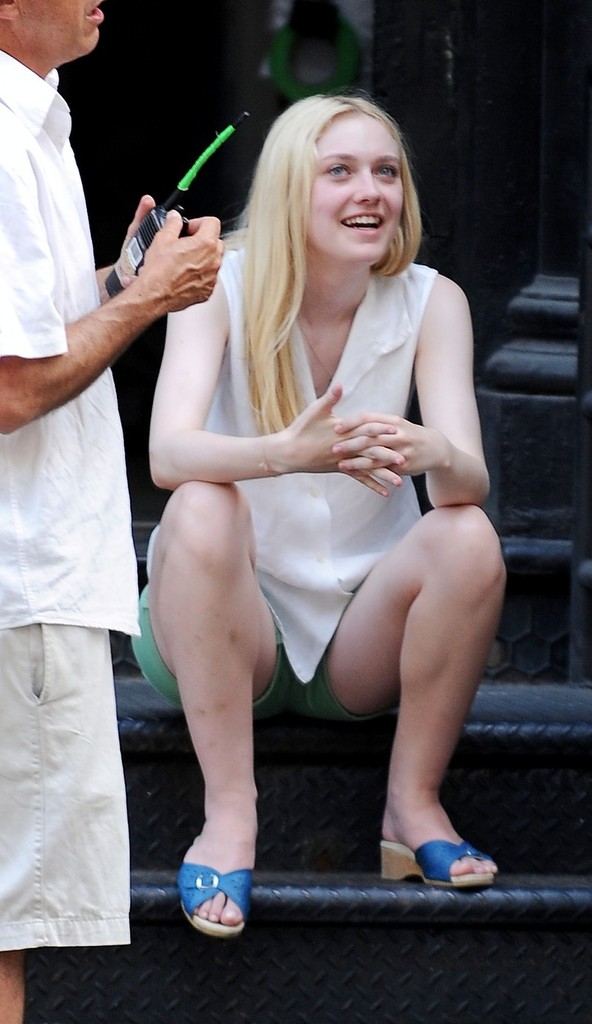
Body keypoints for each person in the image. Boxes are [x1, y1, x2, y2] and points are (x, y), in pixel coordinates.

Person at [132, 92, 507, 940]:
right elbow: (168, 456)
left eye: (386, 172)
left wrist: (435, 452)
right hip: (224, 629)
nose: (369, 191)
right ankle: (230, 816)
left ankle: (412, 806)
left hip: (357, 646)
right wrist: (283, 453)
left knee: (468, 537)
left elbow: (467, 486)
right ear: (290, 190)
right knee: (201, 506)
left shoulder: (433, 301)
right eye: (339, 171)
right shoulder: (217, 284)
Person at [0, 1, 224, 1020]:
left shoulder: (36, 124)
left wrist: (124, 280)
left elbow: (33, 331)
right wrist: (146, 300)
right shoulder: (9, 139)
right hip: (22, 586)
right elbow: (11, 388)